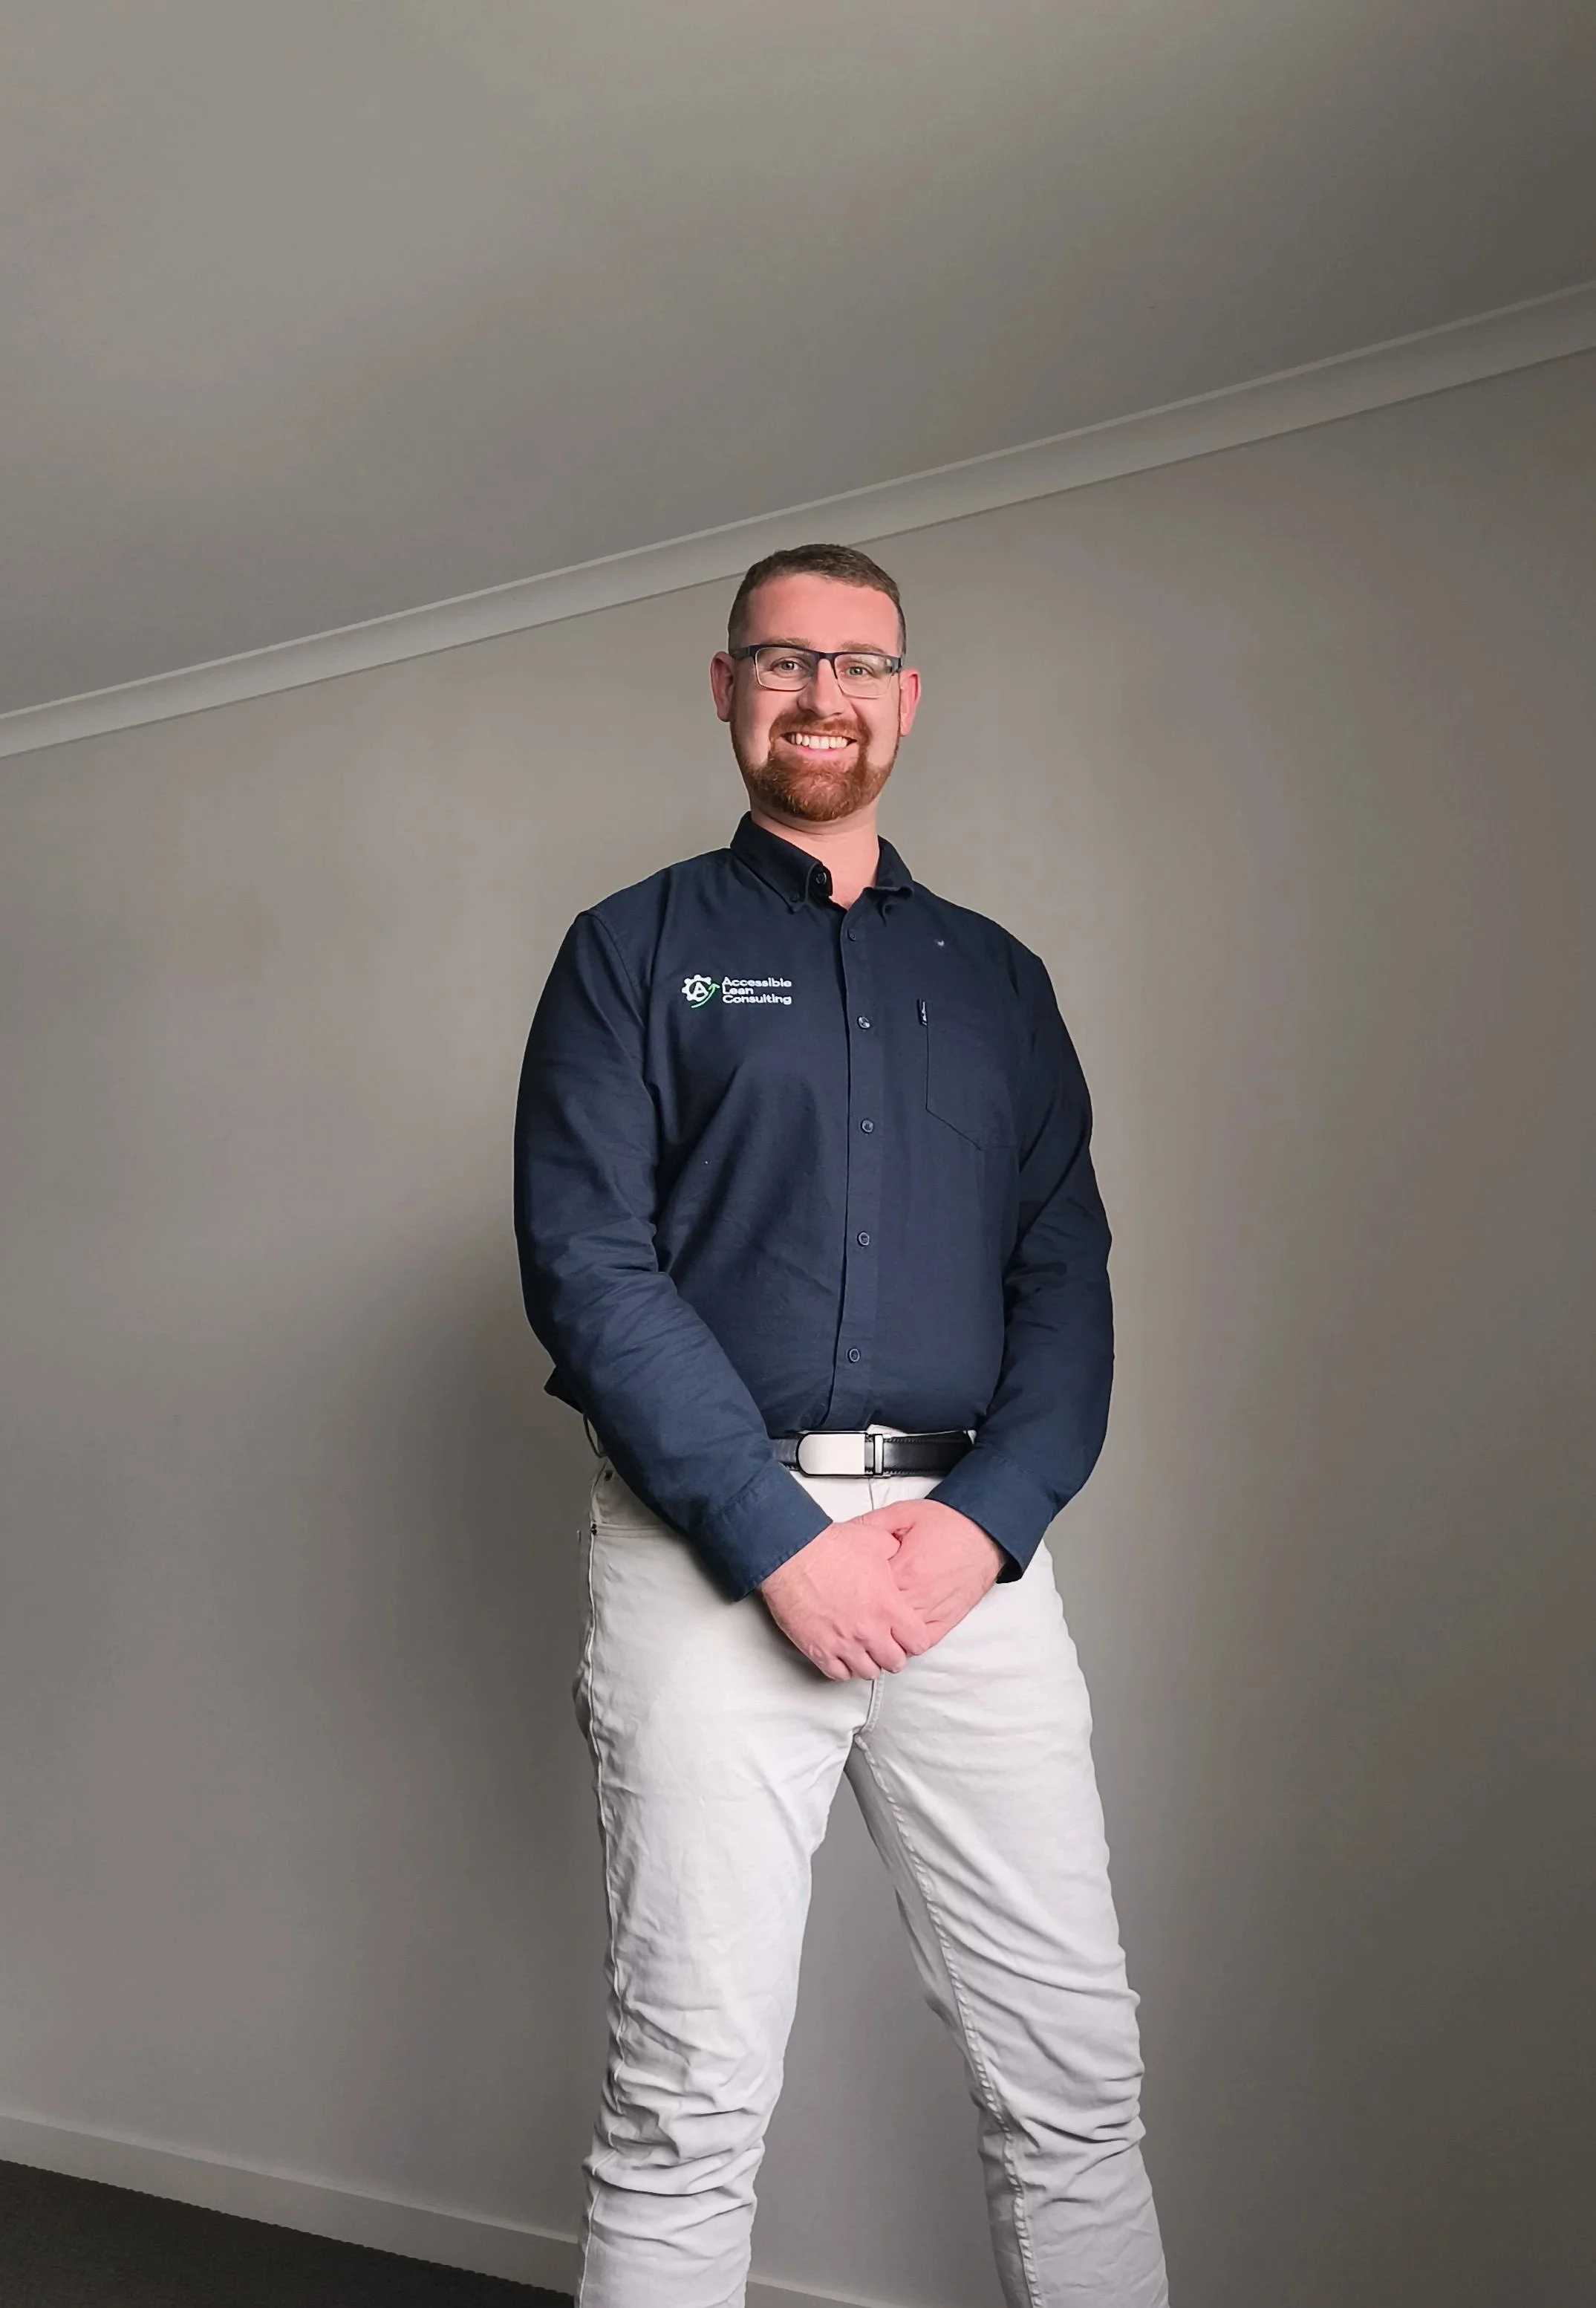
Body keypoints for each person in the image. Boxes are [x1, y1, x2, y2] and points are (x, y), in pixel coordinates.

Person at [513, 542, 1168, 2307]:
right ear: (727, 688)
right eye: (785, 662)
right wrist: (775, 1539)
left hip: (972, 1565)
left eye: (860, 665)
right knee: (686, 2100)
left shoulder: (1002, 980)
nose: (825, 696)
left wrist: (977, 1526)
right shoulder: (628, 953)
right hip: (709, 1562)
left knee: (1079, 2089)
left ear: (907, 697)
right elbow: (587, 1267)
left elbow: (1069, 1286)